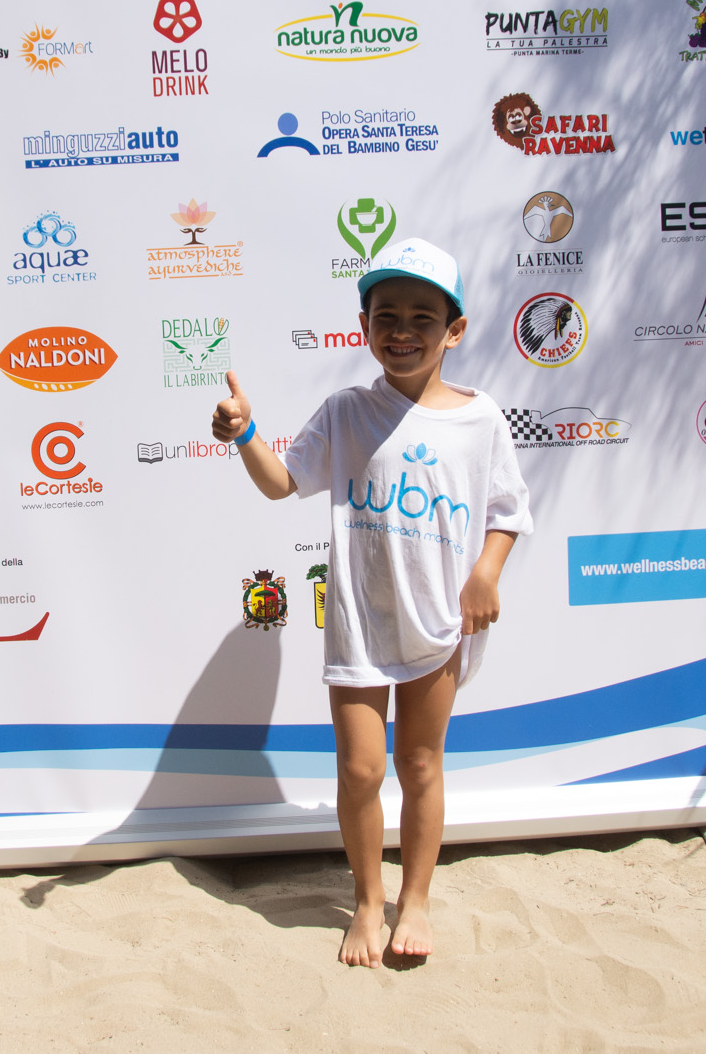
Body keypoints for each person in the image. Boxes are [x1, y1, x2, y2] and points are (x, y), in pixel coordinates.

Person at [210, 237, 532, 967]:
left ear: (455, 329)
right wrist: (245, 432)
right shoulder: (346, 411)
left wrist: (486, 573)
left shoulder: (481, 418)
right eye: (386, 315)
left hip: (438, 624)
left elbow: (508, 510)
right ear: (363, 326)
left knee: (420, 764)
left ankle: (414, 900)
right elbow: (282, 483)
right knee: (359, 770)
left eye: (423, 316)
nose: (402, 330)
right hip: (358, 624)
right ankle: (366, 898)